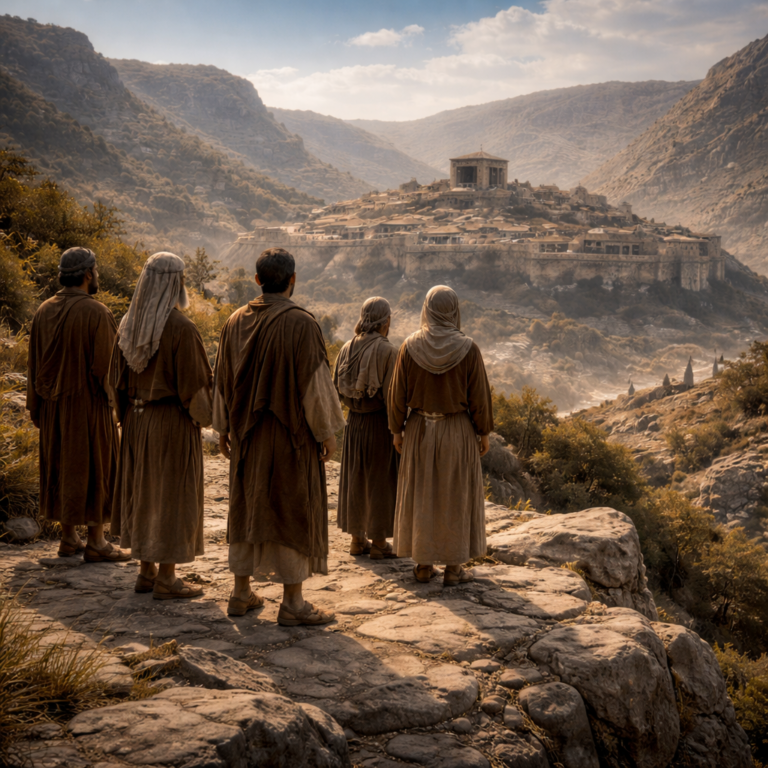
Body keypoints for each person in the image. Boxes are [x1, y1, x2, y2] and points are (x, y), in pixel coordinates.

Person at [213, 247, 345, 622]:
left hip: (246, 436)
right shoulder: (303, 324)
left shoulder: (234, 320)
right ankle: (293, 603)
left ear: (257, 281)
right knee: (292, 508)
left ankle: (241, 594)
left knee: (246, 507)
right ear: (293, 280)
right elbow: (314, 384)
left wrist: (222, 427)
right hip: (291, 437)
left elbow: (221, 379)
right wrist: (327, 433)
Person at [109, 252, 213, 599]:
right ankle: (167, 578)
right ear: (176, 283)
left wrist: (127, 418)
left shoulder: (128, 325)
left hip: (137, 424)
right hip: (170, 423)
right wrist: (206, 420)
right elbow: (196, 391)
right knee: (171, 495)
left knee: (143, 493)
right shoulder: (181, 329)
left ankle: (146, 572)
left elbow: (116, 383)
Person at [26, 247, 128, 562]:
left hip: (53, 408)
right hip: (88, 408)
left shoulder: (44, 309)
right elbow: (107, 371)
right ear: (87, 274)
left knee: (63, 467)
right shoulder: (97, 312)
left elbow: (33, 363)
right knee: (96, 468)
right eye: (95, 271)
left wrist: (38, 407)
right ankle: (96, 541)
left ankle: (68, 537)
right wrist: (119, 405)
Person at [388, 285, 492, 586]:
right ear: (454, 311)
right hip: (457, 429)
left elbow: (397, 396)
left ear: (427, 309)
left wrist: (397, 429)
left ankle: (422, 564)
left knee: (423, 495)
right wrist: (483, 432)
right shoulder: (469, 349)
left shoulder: (409, 346)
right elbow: (480, 398)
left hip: (419, 429)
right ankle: (454, 569)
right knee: (455, 496)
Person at [334, 297, 399, 559]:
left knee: (356, 479)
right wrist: (399, 429)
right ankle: (380, 543)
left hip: (354, 423)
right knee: (380, 481)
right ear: (387, 322)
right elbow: (394, 397)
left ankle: (357, 540)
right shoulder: (389, 351)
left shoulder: (345, 348)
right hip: (380, 424)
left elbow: (335, 388)